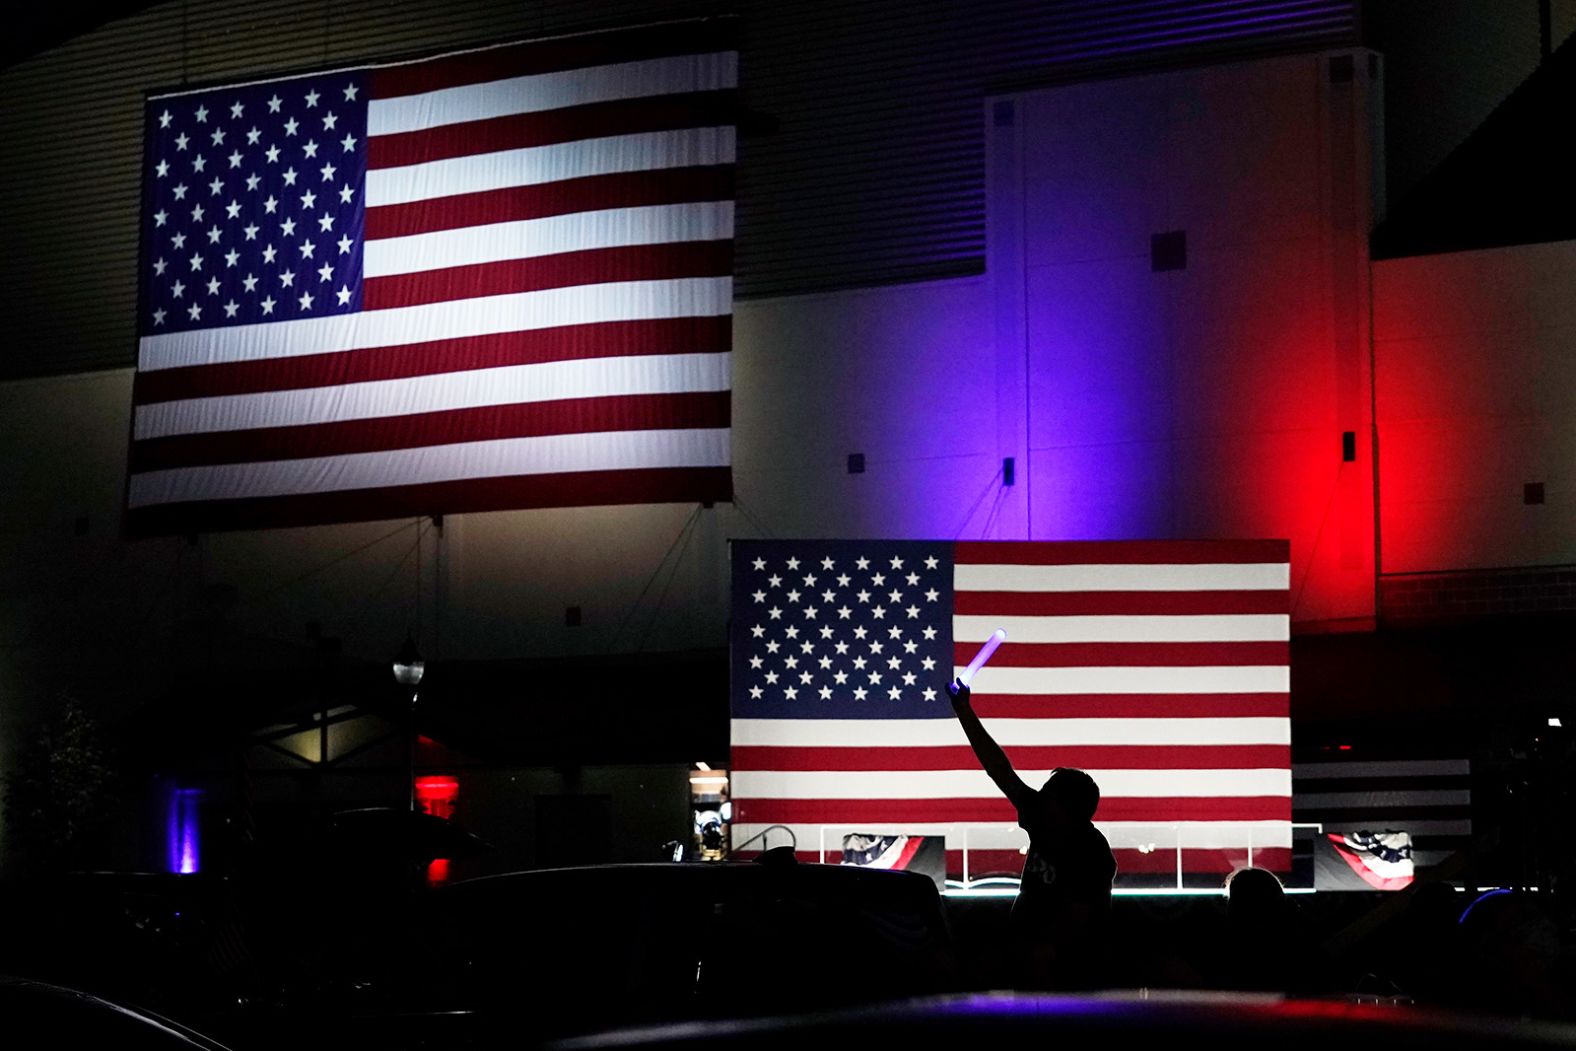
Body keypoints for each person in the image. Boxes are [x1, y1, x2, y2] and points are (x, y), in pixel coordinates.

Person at [947, 676, 1116, 989]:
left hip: (1069, 968)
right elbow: (998, 769)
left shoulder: (1091, 853)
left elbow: (1073, 924)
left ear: (1067, 810)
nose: (1037, 796)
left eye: (1047, 793)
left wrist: (1032, 955)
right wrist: (964, 711)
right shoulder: (1048, 822)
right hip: (1035, 956)